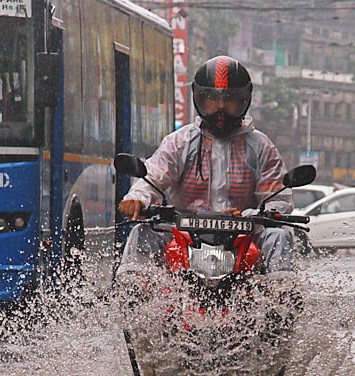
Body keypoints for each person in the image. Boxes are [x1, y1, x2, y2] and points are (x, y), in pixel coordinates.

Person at [116, 55, 293, 280]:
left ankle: (281, 305)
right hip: (183, 231)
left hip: (244, 233)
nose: (220, 107)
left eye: (229, 100)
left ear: (244, 100)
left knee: (279, 236)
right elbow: (153, 175)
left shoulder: (261, 147)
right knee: (141, 233)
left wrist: (249, 215)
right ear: (199, 99)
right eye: (211, 99)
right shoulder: (179, 142)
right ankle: (130, 300)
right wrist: (137, 199)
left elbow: (277, 198)